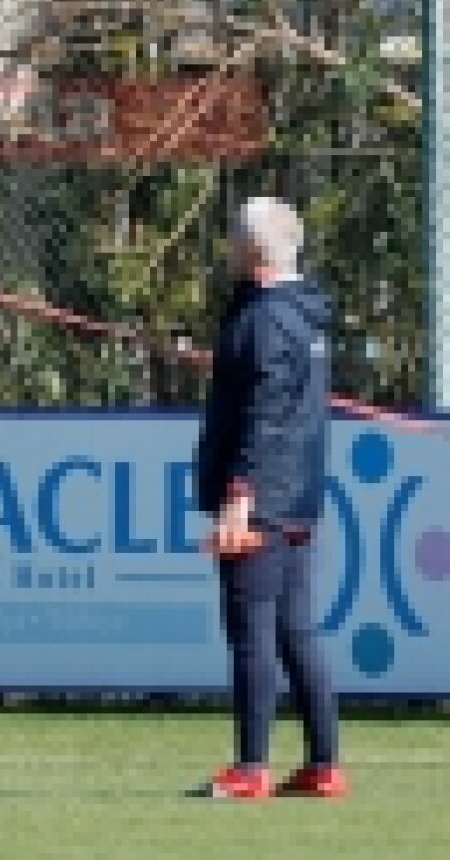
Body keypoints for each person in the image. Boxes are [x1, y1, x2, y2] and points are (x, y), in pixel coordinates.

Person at [194, 196, 347, 800]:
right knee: (294, 632)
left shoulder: (264, 321)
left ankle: (250, 768)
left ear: (253, 250)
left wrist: (240, 494)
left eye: (234, 238)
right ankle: (323, 765)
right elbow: (268, 386)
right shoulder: (293, 314)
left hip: (263, 497)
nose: (228, 246)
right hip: (299, 494)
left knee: (251, 632)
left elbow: (266, 414)